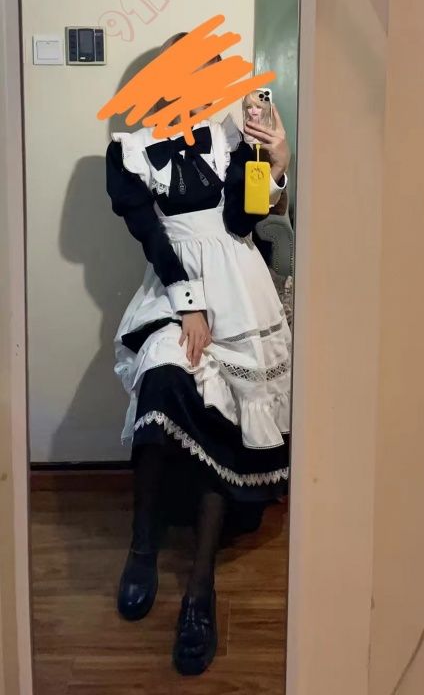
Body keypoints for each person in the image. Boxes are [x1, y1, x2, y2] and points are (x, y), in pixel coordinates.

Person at [105, 34, 291, 676]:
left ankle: (200, 591)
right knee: (162, 384)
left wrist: (277, 161)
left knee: (224, 415)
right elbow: (152, 238)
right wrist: (188, 305)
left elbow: (244, 222)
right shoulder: (130, 150)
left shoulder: (232, 139)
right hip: (175, 288)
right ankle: (142, 547)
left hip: (242, 288)